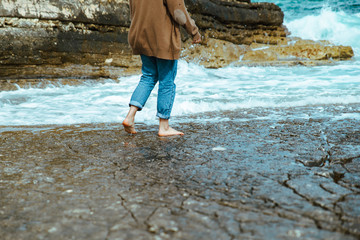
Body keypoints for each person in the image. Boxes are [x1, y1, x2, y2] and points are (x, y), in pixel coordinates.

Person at [122, 0, 201, 137]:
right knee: (167, 80)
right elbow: (178, 10)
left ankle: (130, 116)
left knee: (148, 76)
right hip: (162, 37)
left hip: (140, 34)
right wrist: (193, 31)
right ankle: (164, 126)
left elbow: (133, 10)